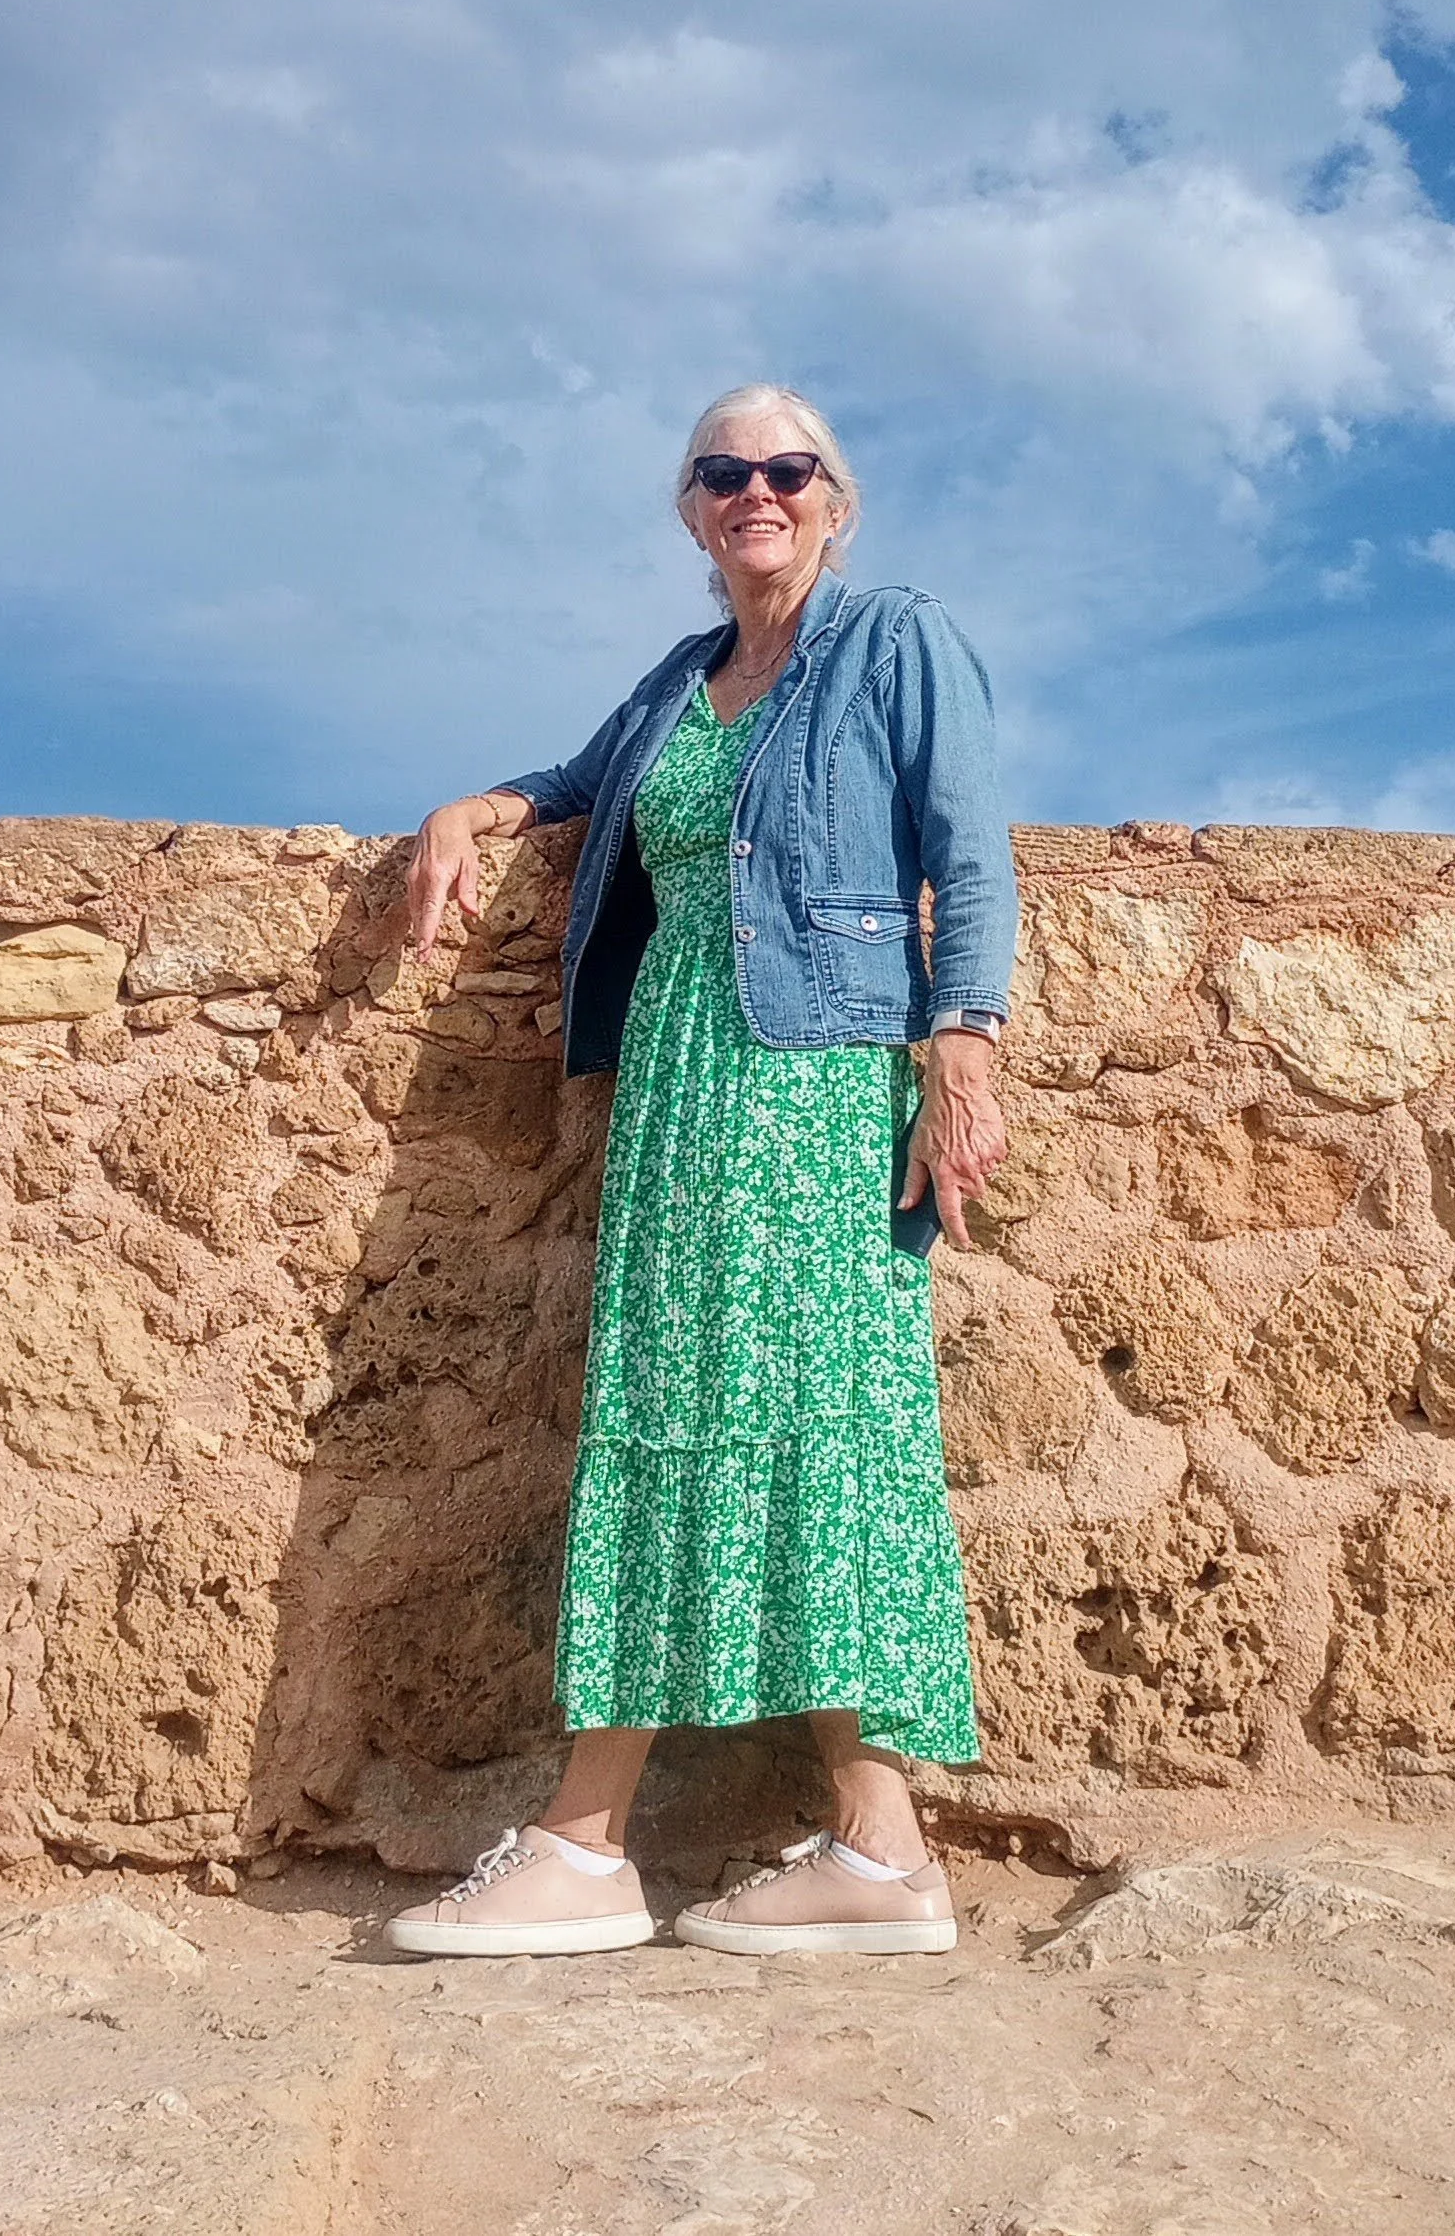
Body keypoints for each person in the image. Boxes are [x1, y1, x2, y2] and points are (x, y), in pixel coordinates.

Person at [386, 385, 1017, 1960]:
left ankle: (597, 1841)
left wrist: (964, 1057)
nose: (759, 490)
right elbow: (579, 781)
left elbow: (970, 848)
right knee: (677, 1412)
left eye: (787, 468)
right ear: (692, 511)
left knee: (816, 1423)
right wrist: (476, 805)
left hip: (813, 1085)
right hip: (679, 1095)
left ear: (836, 498)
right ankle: (872, 1848)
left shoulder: (893, 643)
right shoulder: (683, 682)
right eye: (725, 472)